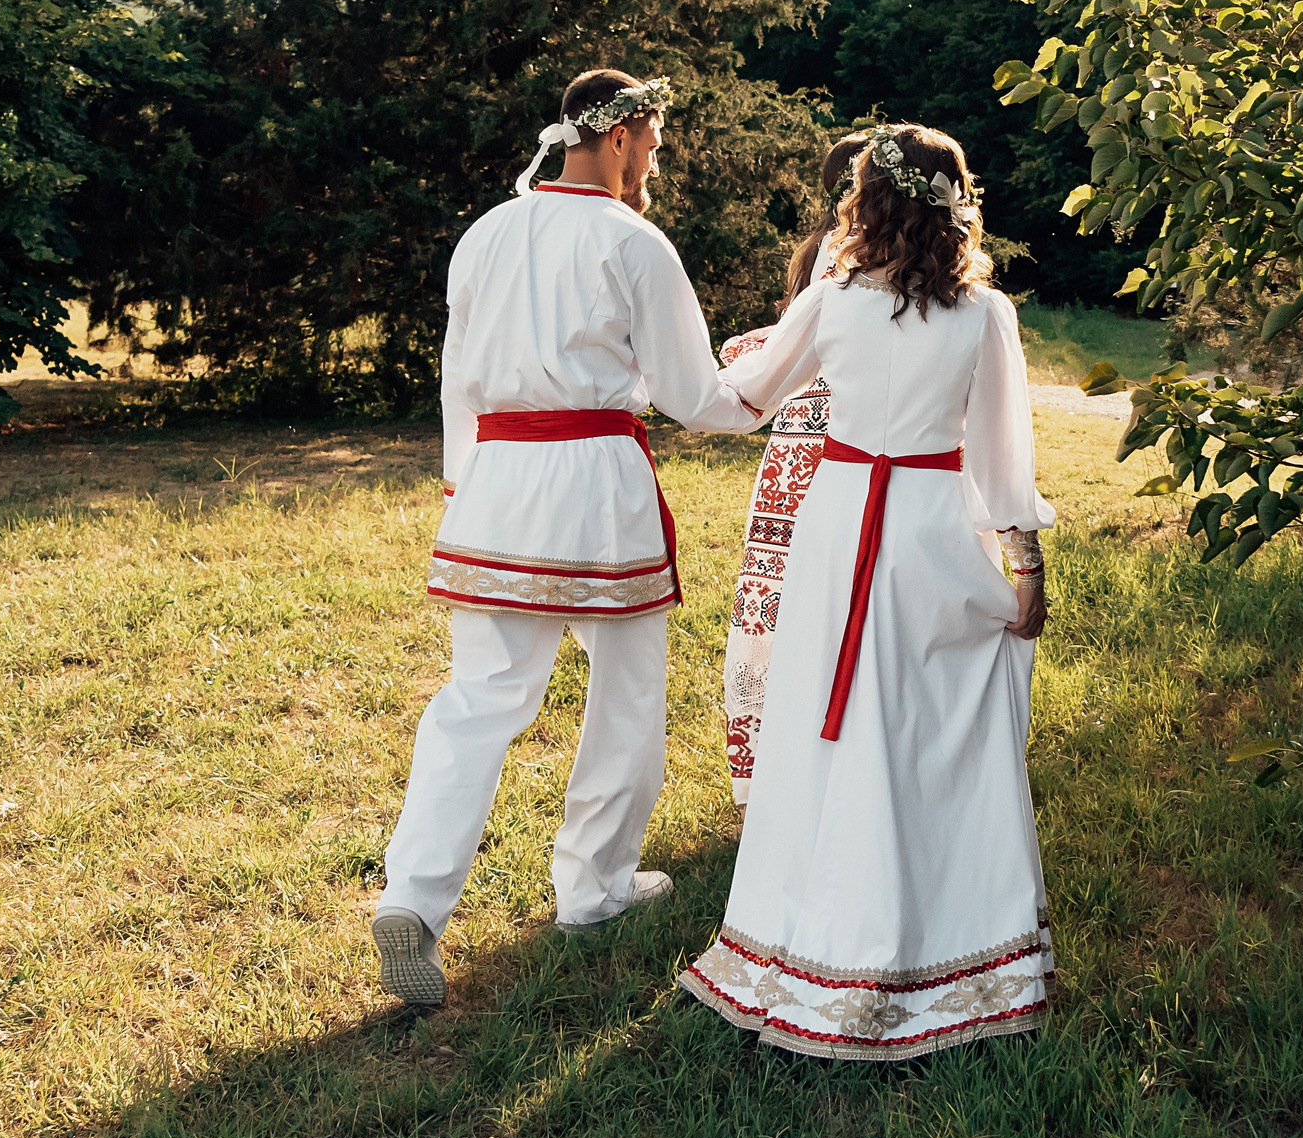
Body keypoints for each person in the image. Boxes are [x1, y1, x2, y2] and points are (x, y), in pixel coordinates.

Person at [370, 69, 761, 1008]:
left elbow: (457, 379)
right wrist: (786, 367)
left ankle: (414, 902)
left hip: (497, 485)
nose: (654, 168)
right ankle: (594, 886)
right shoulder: (633, 241)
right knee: (626, 692)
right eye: (654, 147)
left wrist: (468, 488)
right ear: (621, 133)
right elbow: (693, 393)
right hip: (594, 484)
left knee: (479, 700)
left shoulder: (484, 233)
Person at [679, 125, 1056, 1061]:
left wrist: (663, 376)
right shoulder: (985, 314)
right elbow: (1004, 465)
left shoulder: (832, 298)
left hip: (841, 521)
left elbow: (742, 398)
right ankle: (955, 943)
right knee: (940, 721)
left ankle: (815, 938)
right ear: (954, 201)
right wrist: (1027, 566)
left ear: (869, 199)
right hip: (931, 525)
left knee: (831, 726)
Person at [716, 130, 870, 806]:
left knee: (792, 603)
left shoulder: (821, 253)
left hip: (799, 449)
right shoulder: (852, 255)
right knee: (829, 601)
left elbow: (789, 347)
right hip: (838, 447)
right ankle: (826, 763)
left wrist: (745, 347)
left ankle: (782, 766)